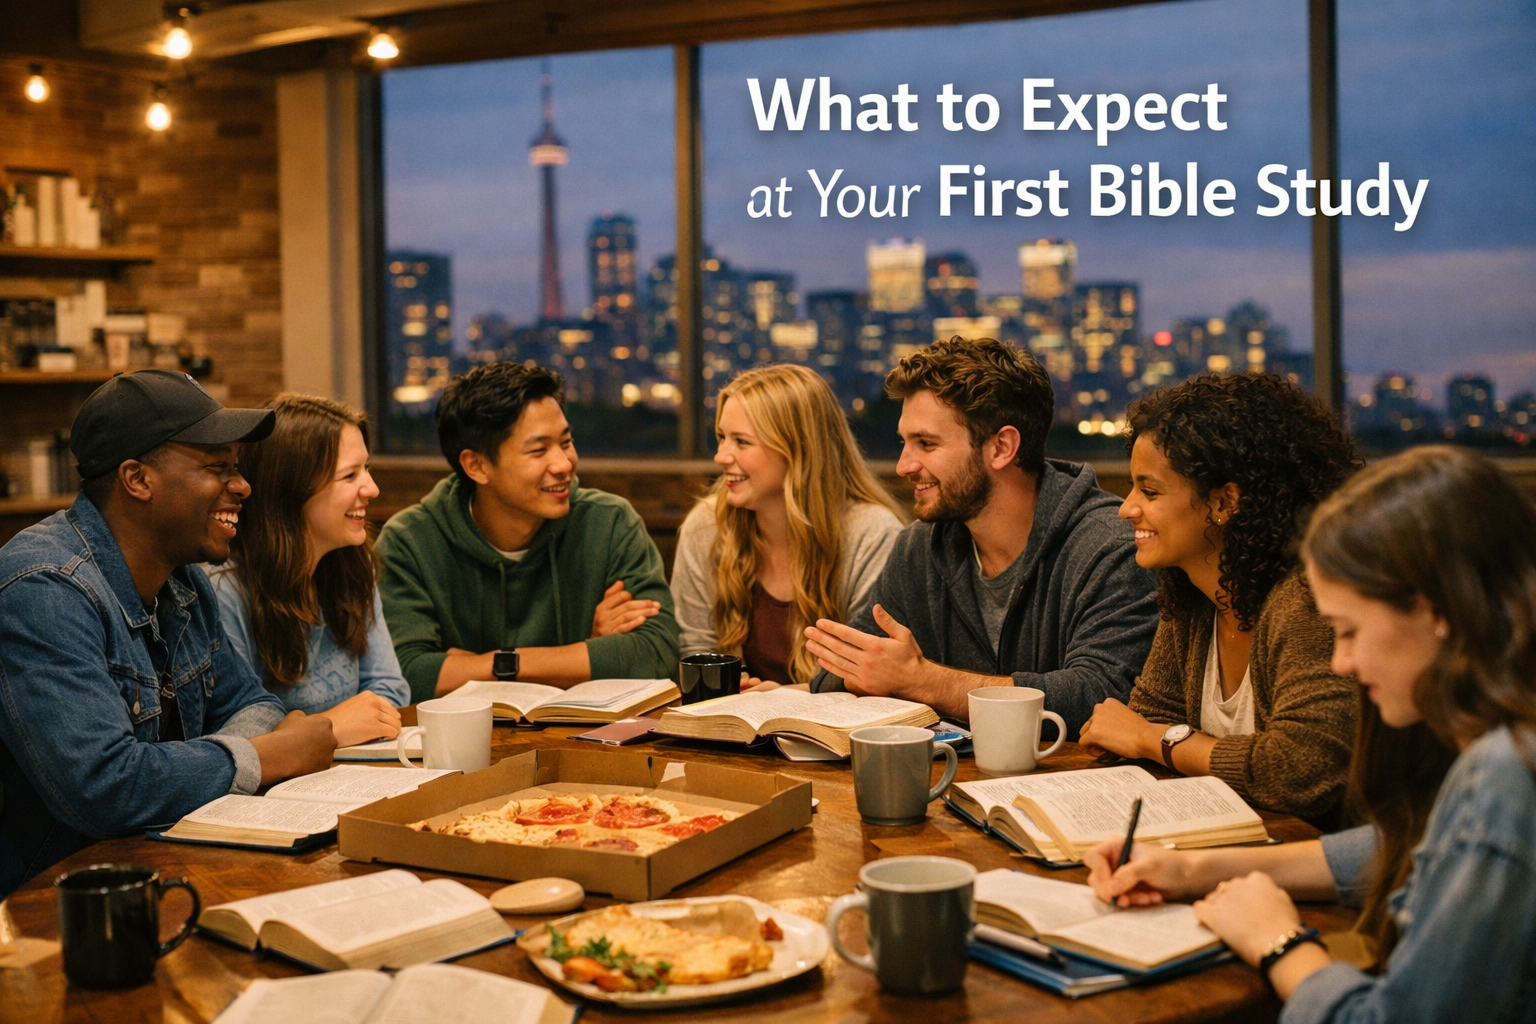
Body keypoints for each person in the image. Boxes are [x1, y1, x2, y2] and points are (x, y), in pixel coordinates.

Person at [1084, 446, 1535, 1023]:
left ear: (1435, 613)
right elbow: (1406, 846)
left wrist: (1278, 941)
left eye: (1349, 631)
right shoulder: (1495, 742)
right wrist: (1195, 870)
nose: (1341, 663)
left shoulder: (1504, 772)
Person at [0, 370, 336, 897]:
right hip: (56, 904)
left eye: (237, 467)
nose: (243, 486)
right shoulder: (44, 589)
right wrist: (270, 756)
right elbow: (105, 787)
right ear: (137, 479)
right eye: (217, 467)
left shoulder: (183, 580)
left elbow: (252, 702)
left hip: (167, 870)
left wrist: (184, 771)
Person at [805, 337, 1159, 733]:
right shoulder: (918, 548)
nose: (904, 465)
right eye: (904, 443)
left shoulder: (1110, 547)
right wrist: (882, 674)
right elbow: (830, 677)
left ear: (1002, 447)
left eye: (926, 444)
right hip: (952, 772)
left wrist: (922, 681)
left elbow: (1103, 696)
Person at [1078, 373, 1362, 822]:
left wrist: (1154, 741)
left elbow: (1300, 770)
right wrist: (1148, 737)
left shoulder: (1306, 603)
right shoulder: (1192, 596)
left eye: (1149, 491)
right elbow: (1147, 717)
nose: (1126, 508)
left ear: (1225, 502)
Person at [377, 362, 678, 701]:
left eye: (566, 442)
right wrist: (588, 654)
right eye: (538, 450)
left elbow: (657, 652)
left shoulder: (609, 522)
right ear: (476, 465)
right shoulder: (411, 541)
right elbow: (406, 672)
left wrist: (487, 666)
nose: (563, 464)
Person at [671, 365, 904, 690]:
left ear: (798, 450)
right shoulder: (706, 525)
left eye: (741, 442)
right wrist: (730, 689)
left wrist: (784, 698)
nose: (720, 456)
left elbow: (869, 674)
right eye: (722, 438)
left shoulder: (872, 534)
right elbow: (696, 650)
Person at [207, 394, 407, 748]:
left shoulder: (351, 563)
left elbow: (389, 688)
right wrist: (329, 729)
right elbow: (230, 744)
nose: (372, 489)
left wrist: (331, 732)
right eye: (349, 475)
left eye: (367, 468)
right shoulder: (224, 590)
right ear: (290, 489)